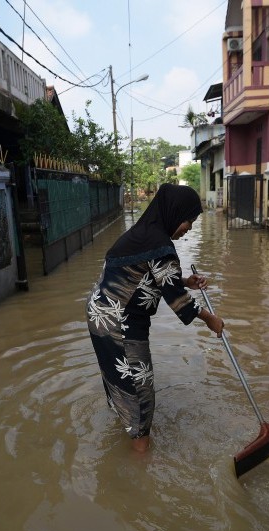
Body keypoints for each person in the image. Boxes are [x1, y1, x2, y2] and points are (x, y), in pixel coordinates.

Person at [86, 183, 225, 453]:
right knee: (141, 390)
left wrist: (183, 280)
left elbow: (142, 276)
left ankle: (125, 430)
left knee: (120, 378)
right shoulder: (161, 246)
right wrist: (210, 318)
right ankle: (141, 461)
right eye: (189, 220)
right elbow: (180, 303)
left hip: (100, 314)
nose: (190, 228)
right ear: (174, 213)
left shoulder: (141, 234)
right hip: (120, 323)